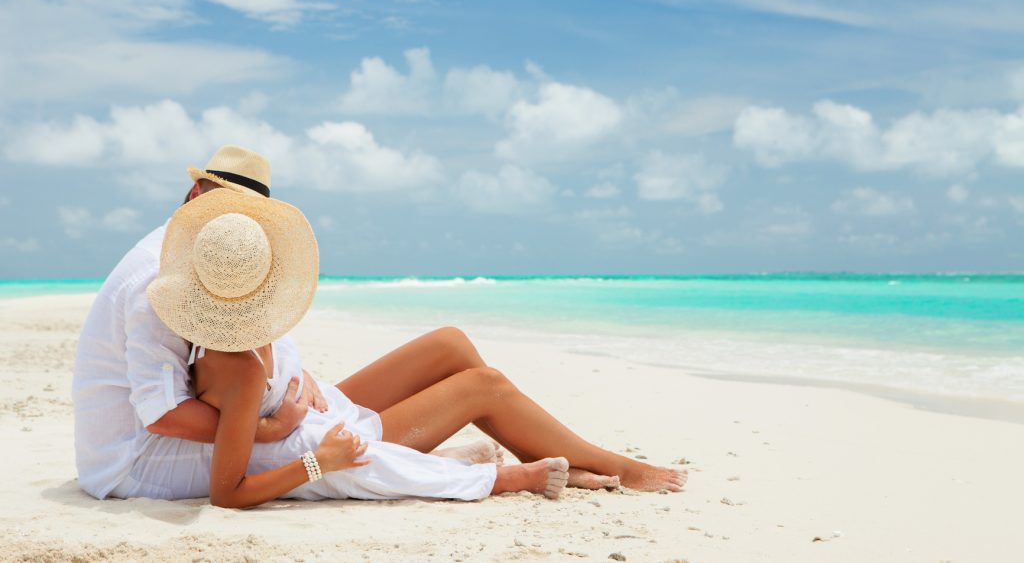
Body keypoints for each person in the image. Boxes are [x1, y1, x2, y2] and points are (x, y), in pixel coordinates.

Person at [71, 145, 686, 501]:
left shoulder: (220, 252)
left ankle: (546, 453)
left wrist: (293, 374)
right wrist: (273, 424)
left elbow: (245, 324)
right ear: (194, 198)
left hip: (246, 407)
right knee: (484, 387)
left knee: (450, 344)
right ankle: (610, 468)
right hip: (146, 457)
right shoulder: (158, 282)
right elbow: (162, 413)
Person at [145, 187, 569, 506]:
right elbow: (227, 493)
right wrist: (319, 463)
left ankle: (457, 457)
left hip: (316, 427)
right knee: (375, 464)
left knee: (444, 355)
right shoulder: (239, 368)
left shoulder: (246, 342)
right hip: (305, 450)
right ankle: (505, 479)